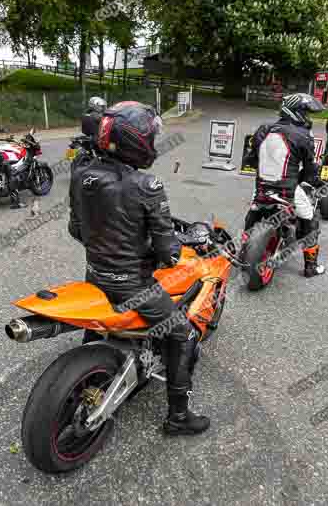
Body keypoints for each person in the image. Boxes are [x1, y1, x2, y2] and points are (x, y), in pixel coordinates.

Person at [68, 101, 210, 436]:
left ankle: (89, 368)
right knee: (183, 333)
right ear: (136, 142)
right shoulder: (148, 186)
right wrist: (182, 241)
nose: (154, 142)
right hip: (134, 287)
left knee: (98, 324)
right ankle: (179, 416)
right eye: (150, 136)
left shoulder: (80, 174)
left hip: (94, 277)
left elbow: (77, 230)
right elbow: (169, 253)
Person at [243, 93, 326, 278]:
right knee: (309, 219)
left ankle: (244, 252)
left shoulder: (264, 128)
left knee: (254, 211)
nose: (308, 117)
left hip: (262, 187)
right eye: (306, 113)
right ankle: (311, 267)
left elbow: (250, 158)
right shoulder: (304, 135)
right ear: (297, 112)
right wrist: (309, 181)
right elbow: (311, 170)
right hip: (287, 191)